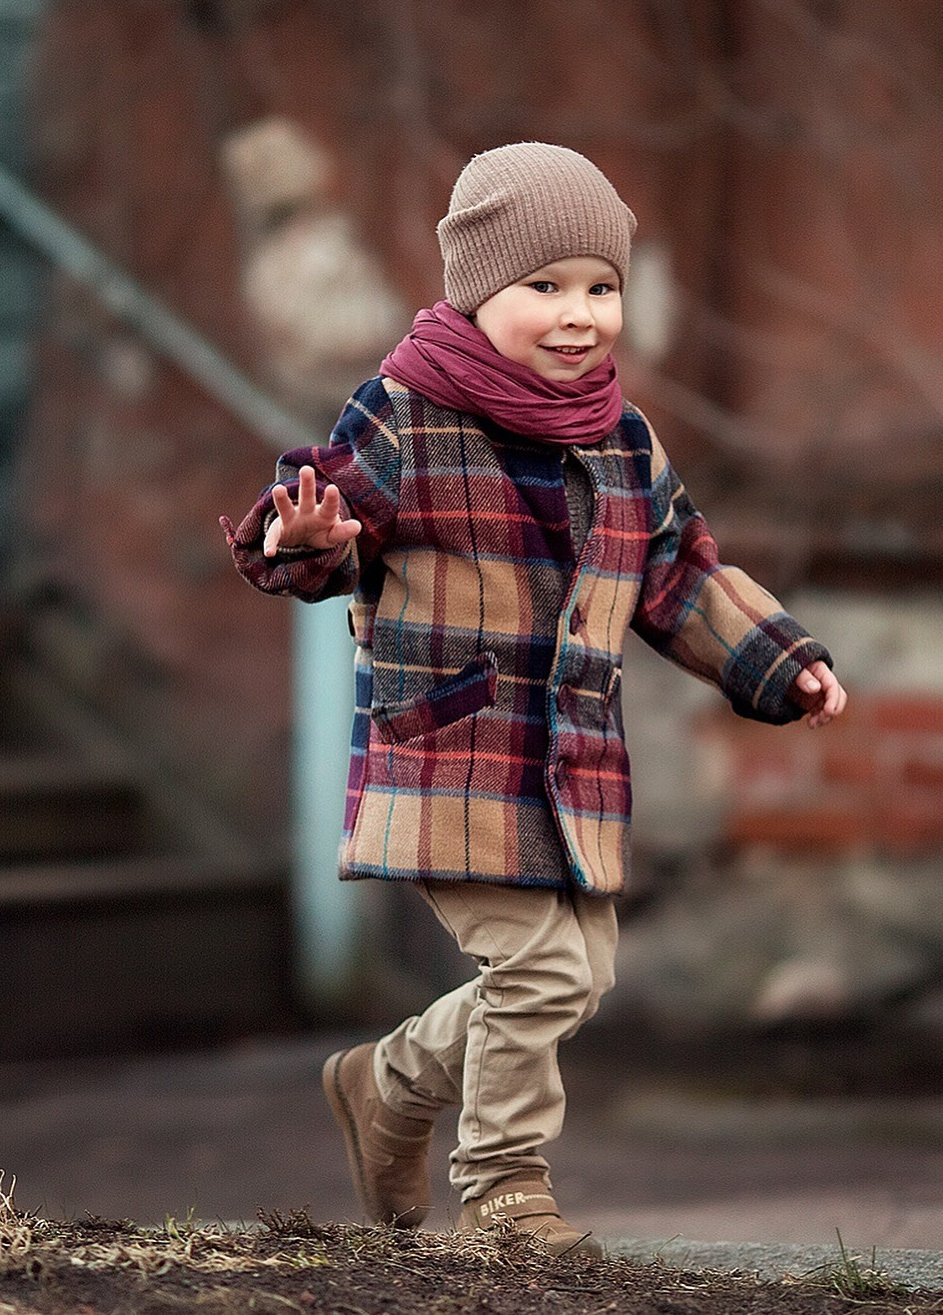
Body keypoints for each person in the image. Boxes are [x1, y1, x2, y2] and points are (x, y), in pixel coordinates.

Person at [221, 142, 846, 1258]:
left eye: (599, 287)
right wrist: (299, 539)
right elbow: (314, 517)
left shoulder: (620, 440)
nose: (577, 316)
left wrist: (777, 659)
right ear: (475, 292)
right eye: (543, 288)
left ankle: (389, 1082)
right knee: (541, 969)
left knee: (578, 977)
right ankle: (503, 1189)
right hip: (449, 754)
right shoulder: (405, 412)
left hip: (568, 765)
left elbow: (680, 573)